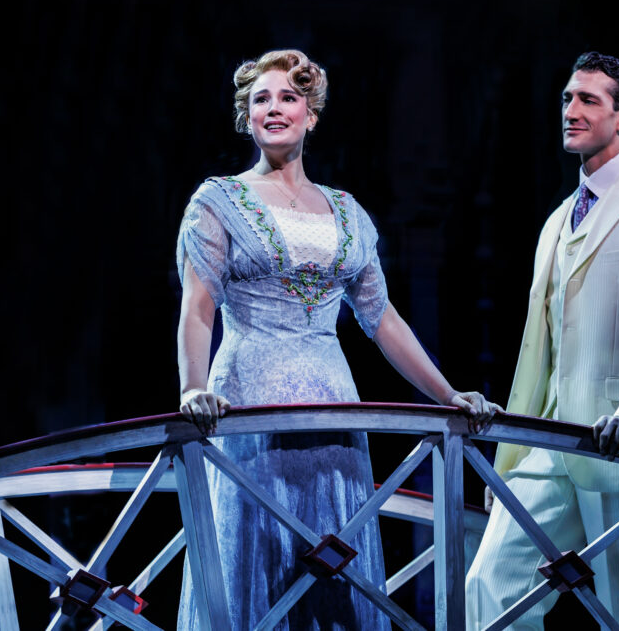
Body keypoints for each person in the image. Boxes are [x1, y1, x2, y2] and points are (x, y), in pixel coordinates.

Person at [175, 49, 499, 630]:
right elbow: (198, 307)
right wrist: (193, 389)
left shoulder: (347, 211)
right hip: (251, 401)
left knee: (334, 560)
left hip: (334, 410)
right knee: (256, 561)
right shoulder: (217, 201)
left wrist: (447, 394)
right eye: (261, 99)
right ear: (247, 117)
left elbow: (383, 319)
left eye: (289, 97)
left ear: (312, 114)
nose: (275, 108)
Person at [465, 52, 619, 630]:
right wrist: (510, 458)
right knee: (489, 585)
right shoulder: (557, 220)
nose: (570, 111)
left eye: (587, 100)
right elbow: (539, 352)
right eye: (567, 99)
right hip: (552, 440)